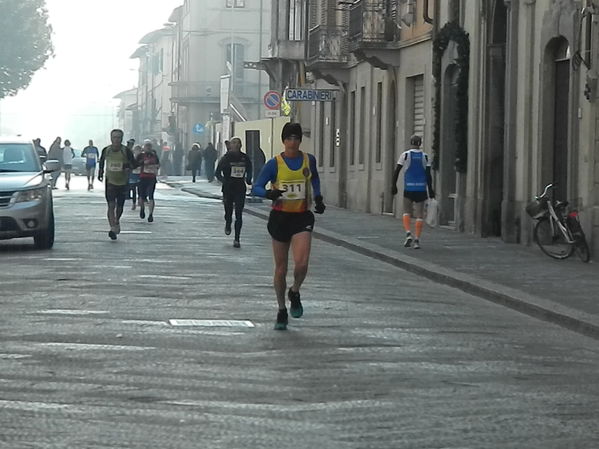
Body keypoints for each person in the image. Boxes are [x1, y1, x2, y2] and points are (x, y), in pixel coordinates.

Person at [252, 123, 326, 330]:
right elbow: (256, 187)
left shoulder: (308, 160)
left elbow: (315, 179)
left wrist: (318, 197)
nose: (293, 142)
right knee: (281, 268)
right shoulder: (274, 164)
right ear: (283, 141)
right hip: (280, 218)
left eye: (296, 138)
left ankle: (295, 291)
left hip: (301, 217)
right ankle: (281, 309)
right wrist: (268, 193)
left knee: (301, 264)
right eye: (289, 138)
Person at [391, 134, 435, 250]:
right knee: (419, 214)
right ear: (420, 144)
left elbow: (397, 171)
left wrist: (393, 186)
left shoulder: (405, 155)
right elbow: (428, 176)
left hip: (408, 188)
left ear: (411, 142)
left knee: (406, 211)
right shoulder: (425, 157)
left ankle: (408, 233)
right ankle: (417, 240)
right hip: (421, 189)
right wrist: (430, 190)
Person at [98, 129, 137, 240]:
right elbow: (101, 162)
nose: (116, 140)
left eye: (118, 137)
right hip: (110, 181)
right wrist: (100, 173)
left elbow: (134, 164)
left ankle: (117, 221)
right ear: (111, 138)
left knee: (119, 206)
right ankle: (112, 228)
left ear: (121, 139)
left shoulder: (126, 151)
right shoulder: (106, 150)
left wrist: (127, 166)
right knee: (111, 205)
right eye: (114, 137)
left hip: (123, 182)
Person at [215, 137, 252, 248]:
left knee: (239, 214)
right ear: (230, 145)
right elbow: (217, 173)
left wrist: (249, 179)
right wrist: (224, 181)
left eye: (238, 143)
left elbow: (250, 169)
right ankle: (228, 221)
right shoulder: (226, 158)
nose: (237, 145)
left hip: (240, 188)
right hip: (228, 188)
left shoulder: (244, 158)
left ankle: (237, 239)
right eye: (234, 143)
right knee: (228, 211)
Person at [136, 140, 160, 223]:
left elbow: (158, 164)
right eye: (147, 146)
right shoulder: (141, 155)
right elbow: (135, 164)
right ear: (144, 147)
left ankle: (150, 214)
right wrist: (143, 163)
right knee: (142, 196)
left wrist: (156, 166)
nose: (148, 147)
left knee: (151, 196)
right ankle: (142, 209)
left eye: (150, 146)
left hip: (152, 178)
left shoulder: (154, 155)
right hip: (142, 178)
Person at [128, 144, 143, 209]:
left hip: (140, 175)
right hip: (133, 175)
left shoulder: (142, 158)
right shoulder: (132, 157)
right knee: (133, 189)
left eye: (139, 150)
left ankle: (139, 199)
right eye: (136, 150)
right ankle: (134, 203)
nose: (137, 152)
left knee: (140, 188)